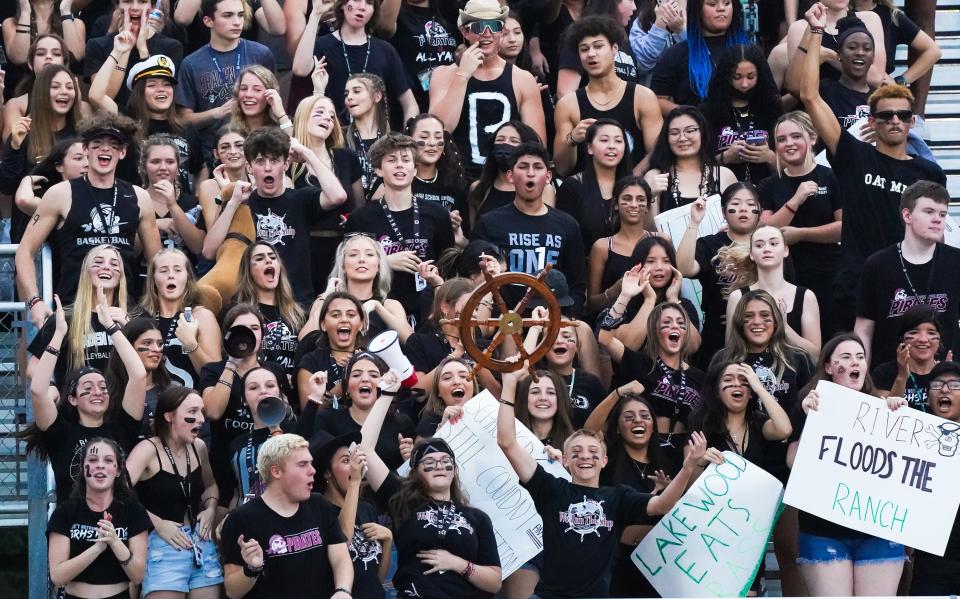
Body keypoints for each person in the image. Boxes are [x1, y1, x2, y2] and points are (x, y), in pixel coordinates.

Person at [497, 358, 711, 598]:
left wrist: (689, 466)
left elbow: (662, 505)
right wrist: (509, 385)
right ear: (565, 461)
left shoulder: (617, 496)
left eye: (593, 453)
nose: (585, 458)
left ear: (604, 461)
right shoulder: (551, 489)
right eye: (576, 453)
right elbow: (507, 442)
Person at [796, 2, 945, 331]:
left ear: (911, 123)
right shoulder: (852, 155)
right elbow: (809, 96)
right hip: (856, 284)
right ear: (872, 120)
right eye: (886, 115)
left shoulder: (930, 173)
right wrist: (817, 31)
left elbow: (936, 235)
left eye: (903, 115)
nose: (895, 120)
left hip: (908, 290)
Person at [361, 373, 503, 598]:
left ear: (455, 471)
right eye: (429, 462)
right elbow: (365, 450)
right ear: (415, 473)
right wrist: (387, 394)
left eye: (445, 462)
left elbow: (495, 581)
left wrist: (458, 563)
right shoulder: (404, 502)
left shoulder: (477, 517)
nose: (439, 466)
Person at [790, 333, 906, 596]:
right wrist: (808, 420)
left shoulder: (884, 410)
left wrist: (898, 413)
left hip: (877, 530)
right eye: (845, 357)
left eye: (860, 357)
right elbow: (792, 462)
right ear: (830, 368)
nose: (855, 362)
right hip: (823, 531)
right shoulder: (808, 406)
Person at [15, 113, 161, 321]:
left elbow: (156, 261)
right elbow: (25, 251)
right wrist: (35, 302)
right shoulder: (61, 194)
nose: (105, 149)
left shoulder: (139, 197)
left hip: (123, 310)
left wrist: (157, 305)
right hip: (73, 309)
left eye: (113, 144)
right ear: (85, 150)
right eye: (97, 143)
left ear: (123, 152)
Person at [202, 127, 347, 303]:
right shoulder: (241, 204)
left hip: (297, 301)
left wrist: (307, 154)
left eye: (275, 160)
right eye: (260, 161)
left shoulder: (301, 199)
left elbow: (338, 196)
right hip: (252, 304)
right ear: (249, 167)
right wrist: (233, 203)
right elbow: (209, 251)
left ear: (286, 165)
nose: (268, 168)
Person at [25, 293, 146, 503]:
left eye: (102, 387)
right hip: (72, 525)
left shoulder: (121, 427)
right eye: (87, 388)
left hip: (117, 524)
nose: (98, 392)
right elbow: (38, 390)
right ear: (72, 399)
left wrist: (111, 327)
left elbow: (139, 375)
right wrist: (58, 335)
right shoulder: (61, 432)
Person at [688, 358, 793, 594]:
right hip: (710, 532)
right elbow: (689, 481)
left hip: (747, 535)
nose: (737, 385)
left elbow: (785, 429)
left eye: (743, 381)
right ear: (716, 391)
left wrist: (758, 386)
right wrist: (700, 459)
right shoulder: (701, 422)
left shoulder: (758, 423)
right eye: (728, 380)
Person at [219, 434, 354, 599]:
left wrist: (343, 590)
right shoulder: (241, 519)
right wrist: (251, 569)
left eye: (310, 463)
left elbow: (341, 556)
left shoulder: (319, 505)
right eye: (302, 464)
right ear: (276, 471)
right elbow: (232, 591)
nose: (312, 470)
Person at [344, 133, 454, 325]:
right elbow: (346, 268)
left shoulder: (438, 214)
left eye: (406, 160)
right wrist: (384, 262)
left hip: (428, 311)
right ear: (378, 169)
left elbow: (448, 266)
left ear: (415, 169)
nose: (400, 165)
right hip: (379, 311)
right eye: (392, 160)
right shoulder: (360, 218)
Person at [125, 386, 223, 598]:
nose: (200, 419)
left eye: (201, 412)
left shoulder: (198, 447)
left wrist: (211, 509)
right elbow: (118, 495)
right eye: (192, 412)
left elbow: (211, 486)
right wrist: (158, 524)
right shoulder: (147, 450)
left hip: (200, 540)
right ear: (169, 416)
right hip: (162, 543)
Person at [429, 0, 546, 177]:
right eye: (478, 27)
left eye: (493, 25)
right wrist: (462, 75)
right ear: (464, 31)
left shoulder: (522, 79)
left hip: (505, 179)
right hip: (456, 178)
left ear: (501, 30)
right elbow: (439, 131)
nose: (487, 33)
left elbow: (536, 144)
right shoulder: (443, 74)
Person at [471, 142, 586, 315]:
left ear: (548, 177)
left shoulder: (568, 225)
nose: (530, 173)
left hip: (552, 322)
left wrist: (563, 319)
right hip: (502, 321)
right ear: (510, 175)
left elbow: (577, 287)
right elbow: (474, 279)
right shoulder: (489, 223)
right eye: (523, 167)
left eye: (538, 167)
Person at [854, 181, 960, 365]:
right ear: (907, 215)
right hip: (889, 378)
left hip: (945, 381)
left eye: (942, 214)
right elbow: (864, 329)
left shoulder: (956, 262)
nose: (938, 219)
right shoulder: (877, 264)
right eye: (929, 212)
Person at [758, 111, 842, 338]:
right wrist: (796, 200)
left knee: (827, 338)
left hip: (827, 273)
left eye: (796, 136)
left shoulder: (831, 177)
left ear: (813, 138)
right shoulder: (769, 184)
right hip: (784, 276)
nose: (789, 143)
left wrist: (801, 234)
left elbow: (842, 228)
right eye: (782, 139)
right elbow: (766, 231)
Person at [199, 303, 292, 504]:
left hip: (268, 461)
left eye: (254, 328)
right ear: (228, 336)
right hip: (225, 463)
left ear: (262, 336)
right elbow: (213, 412)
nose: (248, 334)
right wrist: (232, 363)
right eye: (240, 330)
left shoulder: (274, 371)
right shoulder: (214, 370)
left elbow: (284, 417)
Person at [553, 15, 660, 176]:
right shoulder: (568, 105)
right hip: (587, 194)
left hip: (633, 194)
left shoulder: (642, 97)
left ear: (614, 48)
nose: (591, 54)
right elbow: (562, 168)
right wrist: (572, 139)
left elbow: (657, 153)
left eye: (598, 46)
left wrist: (630, 182)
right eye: (584, 49)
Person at [47, 438, 150, 599]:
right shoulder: (65, 513)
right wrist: (97, 548)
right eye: (93, 460)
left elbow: (137, 575)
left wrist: (115, 542)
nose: (100, 465)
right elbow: (58, 577)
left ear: (118, 470)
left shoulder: (133, 510)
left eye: (108, 460)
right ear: (82, 468)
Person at [676, 183, 763, 368]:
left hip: (762, 331)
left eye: (750, 204)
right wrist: (694, 222)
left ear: (759, 212)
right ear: (723, 212)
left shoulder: (769, 245)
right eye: (736, 204)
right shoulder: (710, 244)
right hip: (717, 335)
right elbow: (684, 268)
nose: (743, 209)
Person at [291, 0, 418, 125]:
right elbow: (300, 69)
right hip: (333, 136)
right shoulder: (322, 45)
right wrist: (315, 15)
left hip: (376, 140)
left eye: (369, 3)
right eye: (356, 0)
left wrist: (408, 135)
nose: (362, 7)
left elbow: (410, 105)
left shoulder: (385, 50)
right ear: (343, 5)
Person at [27, 244, 131, 386]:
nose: (106, 267)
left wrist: (129, 328)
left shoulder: (132, 317)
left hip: (121, 404)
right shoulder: (64, 318)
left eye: (114, 264)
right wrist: (50, 386)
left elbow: (148, 368)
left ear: (121, 276)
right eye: (98, 262)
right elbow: (33, 367)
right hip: (74, 405)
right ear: (85, 272)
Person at [290, 93, 364, 288]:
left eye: (331, 116)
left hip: (342, 249)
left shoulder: (345, 157)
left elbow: (360, 205)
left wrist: (351, 217)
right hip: (304, 250)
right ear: (303, 117)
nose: (327, 119)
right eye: (320, 113)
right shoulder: (289, 162)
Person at [600, 302, 705, 438]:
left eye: (681, 323)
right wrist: (625, 296)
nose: (675, 326)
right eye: (667, 323)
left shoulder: (699, 377)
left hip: (683, 451)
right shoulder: (640, 363)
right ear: (654, 331)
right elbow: (605, 339)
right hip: (645, 447)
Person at [312, 429, 393, 599]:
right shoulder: (320, 510)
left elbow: (377, 579)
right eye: (346, 460)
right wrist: (355, 481)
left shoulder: (366, 508)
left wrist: (387, 541)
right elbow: (343, 538)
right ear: (327, 472)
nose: (355, 466)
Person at [175, 0, 275, 133]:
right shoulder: (191, 63)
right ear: (208, 21)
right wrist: (216, 113)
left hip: (257, 143)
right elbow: (183, 120)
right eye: (228, 15)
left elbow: (275, 105)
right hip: (212, 148)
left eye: (240, 15)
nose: (237, 22)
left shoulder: (261, 54)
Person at [720, 225, 822, 357]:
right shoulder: (738, 297)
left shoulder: (806, 296)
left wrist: (784, 326)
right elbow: (731, 352)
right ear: (751, 254)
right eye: (759, 245)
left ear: (786, 250)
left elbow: (814, 356)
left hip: (796, 375)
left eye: (773, 243)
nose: (767, 249)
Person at [307, 352, 415, 471]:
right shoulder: (327, 420)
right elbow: (301, 452)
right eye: (356, 375)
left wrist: (410, 460)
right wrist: (314, 398)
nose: (365, 379)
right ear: (347, 387)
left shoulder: (402, 423)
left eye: (373, 375)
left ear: (384, 384)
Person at [908, 360, 960, 594]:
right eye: (937, 384)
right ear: (927, 397)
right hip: (932, 559)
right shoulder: (909, 437)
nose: (945, 390)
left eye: (954, 385)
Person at [699, 43, 783, 184]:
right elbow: (693, 166)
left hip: (767, 189)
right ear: (726, 76)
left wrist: (770, 158)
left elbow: (792, 168)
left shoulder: (771, 108)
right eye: (737, 77)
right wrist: (725, 158)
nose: (744, 84)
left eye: (751, 77)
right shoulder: (707, 111)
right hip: (722, 190)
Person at [139, 248, 222, 389]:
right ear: (153, 278)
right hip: (152, 405)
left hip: (192, 404)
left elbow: (215, 375)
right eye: (163, 271)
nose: (171, 275)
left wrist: (191, 344)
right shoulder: (142, 319)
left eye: (177, 270)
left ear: (188, 277)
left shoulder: (201, 316)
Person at [0, 64, 87, 199]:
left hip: (73, 215)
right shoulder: (24, 133)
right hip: (32, 216)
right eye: (55, 86)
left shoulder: (83, 134)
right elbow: (7, 187)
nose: (64, 91)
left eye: (70, 87)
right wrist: (14, 147)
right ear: (41, 92)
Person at [650, 0, 750, 112]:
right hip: (698, 126)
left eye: (727, 3)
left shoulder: (748, 52)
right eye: (712, 4)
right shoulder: (676, 54)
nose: (721, 8)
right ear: (697, 10)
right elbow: (657, 100)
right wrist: (693, 115)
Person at [83, 2, 183, 111]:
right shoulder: (97, 45)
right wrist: (124, 50)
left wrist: (143, 50)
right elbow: (104, 99)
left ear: (153, 7)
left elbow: (158, 100)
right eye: (127, 1)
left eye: (143, 1)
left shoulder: (172, 47)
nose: (135, 8)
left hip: (152, 121)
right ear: (117, 6)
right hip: (114, 120)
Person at [608, 238, 702, 353]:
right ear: (638, 266)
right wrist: (649, 299)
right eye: (651, 261)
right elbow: (628, 348)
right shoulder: (623, 306)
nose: (659, 267)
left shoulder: (683, 304)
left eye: (666, 261)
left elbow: (693, 347)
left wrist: (673, 299)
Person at [555, 119, 634, 251]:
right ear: (589, 148)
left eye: (618, 141)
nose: (612, 146)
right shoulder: (572, 186)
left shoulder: (633, 186)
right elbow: (564, 236)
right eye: (604, 140)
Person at [231, 242, 306, 378]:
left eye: (272, 257)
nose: (268, 260)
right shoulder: (237, 313)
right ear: (249, 271)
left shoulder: (298, 314)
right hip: (253, 386)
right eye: (259, 258)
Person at [463, 120, 552, 233]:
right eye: (500, 140)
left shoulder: (543, 188)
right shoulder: (479, 188)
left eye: (514, 141)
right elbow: (474, 236)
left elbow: (548, 229)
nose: (506, 144)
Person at [644, 106, 736, 214]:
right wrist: (651, 197)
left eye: (690, 131)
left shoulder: (724, 175)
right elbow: (648, 229)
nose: (682, 138)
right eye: (674, 133)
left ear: (703, 133)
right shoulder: (655, 177)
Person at [586, 176, 657, 315]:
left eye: (641, 199)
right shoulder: (602, 247)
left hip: (654, 322)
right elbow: (591, 305)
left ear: (648, 206)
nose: (634, 205)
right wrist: (615, 291)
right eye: (627, 199)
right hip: (613, 324)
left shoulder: (661, 240)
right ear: (616, 204)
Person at [376, 0, 459, 114]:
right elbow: (384, 27)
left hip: (450, 102)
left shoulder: (448, 12)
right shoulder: (396, 14)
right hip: (412, 106)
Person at [229, 367, 296, 504]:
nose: (263, 391)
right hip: (244, 520)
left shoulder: (296, 434)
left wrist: (274, 424)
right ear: (244, 399)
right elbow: (236, 493)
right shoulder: (237, 444)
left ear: (280, 393)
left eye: (270, 385)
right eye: (253, 388)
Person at [295, 291, 366, 410]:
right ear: (323, 324)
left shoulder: (371, 360)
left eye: (351, 315)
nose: (344, 319)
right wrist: (343, 385)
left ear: (361, 325)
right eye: (335, 315)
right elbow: (308, 416)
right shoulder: (310, 362)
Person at [104, 317, 173, 437]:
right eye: (147, 343)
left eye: (160, 343)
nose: (156, 349)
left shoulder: (170, 391)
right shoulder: (108, 393)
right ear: (129, 347)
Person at [12, 137, 87, 245]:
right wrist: (27, 179)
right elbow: (24, 200)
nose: (87, 163)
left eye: (89, 158)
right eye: (78, 158)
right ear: (60, 167)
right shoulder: (55, 200)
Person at [139, 136, 205, 256]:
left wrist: (173, 205)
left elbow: (199, 248)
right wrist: (156, 225)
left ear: (178, 166)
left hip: (185, 272)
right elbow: (128, 248)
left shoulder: (192, 202)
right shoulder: (134, 200)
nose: (163, 167)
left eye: (170, 162)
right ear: (144, 166)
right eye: (155, 162)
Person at [871, 304, 943, 410]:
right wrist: (902, 376)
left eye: (931, 332)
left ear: (940, 339)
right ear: (902, 338)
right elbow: (883, 414)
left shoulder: (948, 373)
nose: (923, 339)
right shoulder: (884, 372)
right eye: (914, 332)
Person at [1, 33, 68, 141]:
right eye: (41, 53)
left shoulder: (81, 106)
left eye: (56, 53)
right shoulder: (16, 105)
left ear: (65, 64)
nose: (49, 57)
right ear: (30, 64)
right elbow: (11, 144)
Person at [405, 113, 469, 225]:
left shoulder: (455, 183)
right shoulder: (398, 179)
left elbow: (465, 237)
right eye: (424, 137)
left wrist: (455, 228)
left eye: (438, 137)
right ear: (409, 141)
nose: (432, 143)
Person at [343, 72, 392, 194]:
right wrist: (319, 89)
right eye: (346, 93)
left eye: (357, 91)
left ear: (377, 96)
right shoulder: (339, 136)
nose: (349, 97)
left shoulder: (393, 140)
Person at [2, 0, 86, 65]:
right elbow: (19, 58)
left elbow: (75, 56)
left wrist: (65, 10)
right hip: (25, 85)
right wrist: (25, 13)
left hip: (61, 83)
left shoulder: (76, 24)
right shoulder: (10, 23)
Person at [414, 356, 479, 439]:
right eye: (447, 378)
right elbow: (421, 450)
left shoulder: (490, 411)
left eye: (463, 376)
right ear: (438, 392)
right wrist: (443, 426)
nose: (457, 381)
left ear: (473, 386)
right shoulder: (429, 420)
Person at [226, 65, 291, 136]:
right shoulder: (228, 132)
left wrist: (281, 114)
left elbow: (294, 143)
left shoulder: (282, 127)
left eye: (257, 90)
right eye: (244, 88)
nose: (248, 94)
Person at [629, 0, 687, 79]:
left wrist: (681, 32)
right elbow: (639, 64)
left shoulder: (700, 14)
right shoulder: (645, 17)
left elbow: (704, 58)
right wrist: (660, 24)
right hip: (654, 87)